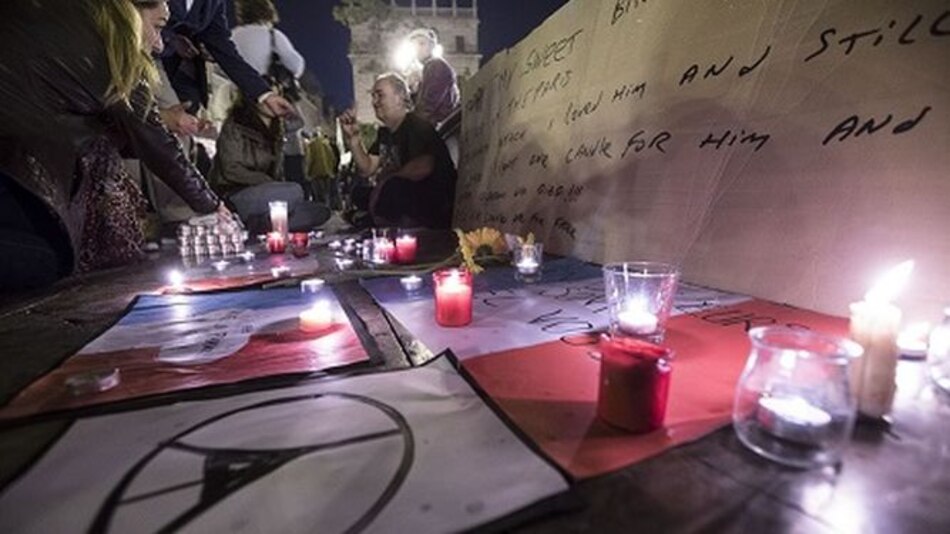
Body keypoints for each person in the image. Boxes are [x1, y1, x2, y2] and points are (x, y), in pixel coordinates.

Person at [0, 0, 229, 290]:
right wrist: (213, 205)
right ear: (130, 11)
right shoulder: (114, 43)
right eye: (157, 27)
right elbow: (157, 144)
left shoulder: (69, 21)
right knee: (51, 262)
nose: (159, 45)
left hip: (14, 163)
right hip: (14, 171)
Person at [339, 73, 457, 229]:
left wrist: (385, 183)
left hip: (432, 198)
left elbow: (424, 166)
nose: (374, 102)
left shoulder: (415, 125)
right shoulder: (385, 133)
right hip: (401, 193)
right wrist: (353, 140)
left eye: (380, 96)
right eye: (373, 96)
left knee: (392, 189)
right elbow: (367, 168)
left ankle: (377, 219)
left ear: (400, 97)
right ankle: (377, 215)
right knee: (359, 193)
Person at [209, 97, 329, 235]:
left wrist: (290, 111)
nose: (274, 100)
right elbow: (230, 170)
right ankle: (260, 220)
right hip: (235, 194)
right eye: (269, 96)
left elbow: (298, 123)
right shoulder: (235, 125)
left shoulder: (277, 130)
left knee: (320, 211)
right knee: (294, 191)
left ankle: (260, 223)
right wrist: (267, 182)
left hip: (268, 194)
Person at [161, 0, 295, 119]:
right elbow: (141, 14)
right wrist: (171, 39)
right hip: (148, 61)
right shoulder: (273, 36)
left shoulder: (214, 4)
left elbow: (224, 50)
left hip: (180, 77)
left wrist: (265, 94)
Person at [407, 28, 460, 127]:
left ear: (432, 46)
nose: (418, 49)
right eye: (414, 46)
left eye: (422, 44)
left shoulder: (436, 66)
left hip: (440, 128)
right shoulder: (429, 68)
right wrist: (413, 90)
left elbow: (428, 105)